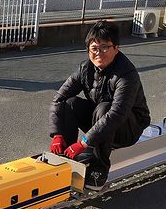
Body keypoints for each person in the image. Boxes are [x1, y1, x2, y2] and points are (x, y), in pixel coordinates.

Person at [48, 20, 151, 191]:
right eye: (94, 48)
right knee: (69, 103)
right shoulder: (85, 69)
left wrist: (83, 143)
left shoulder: (126, 74)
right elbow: (58, 99)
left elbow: (117, 114)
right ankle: (65, 158)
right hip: (100, 121)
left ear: (116, 48)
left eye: (105, 47)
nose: (99, 53)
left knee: (105, 108)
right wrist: (57, 135)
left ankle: (99, 169)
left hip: (127, 129)